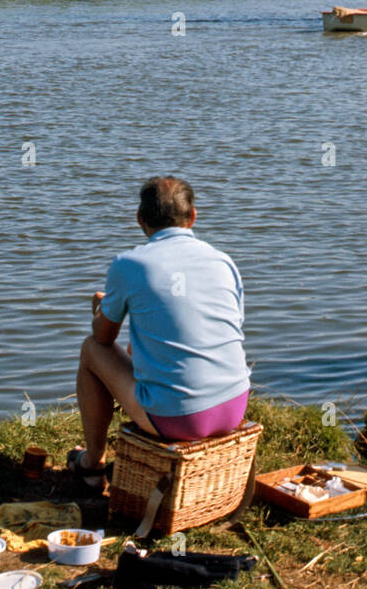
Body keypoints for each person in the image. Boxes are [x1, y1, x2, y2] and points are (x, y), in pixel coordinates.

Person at [69, 177, 251, 492]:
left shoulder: (128, 264)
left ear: (140, 219)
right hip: (234, 405)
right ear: (193, 216)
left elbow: (102, 338)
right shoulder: (224, 262)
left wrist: (100, 309)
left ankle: (92, 464)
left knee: (90, 351)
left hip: (178, 419)